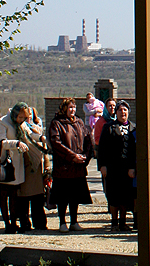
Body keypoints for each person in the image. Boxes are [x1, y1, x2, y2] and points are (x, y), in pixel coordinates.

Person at [0, 102, 49, 232]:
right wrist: (16, 143)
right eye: (20, 117)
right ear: (15, 114)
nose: (21, 120)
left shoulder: (22, 123)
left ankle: (15, 222)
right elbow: (1, 142)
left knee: (15, 196)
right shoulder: (3, 122)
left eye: (24, 118)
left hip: (18, 163)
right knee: (5, 195)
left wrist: (41, 138)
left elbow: (29, 135)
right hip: (6, 162)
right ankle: (7, 224)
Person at [48, 98, 94, 232]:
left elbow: (88, 140)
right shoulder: (56, 123)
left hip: (78, 167)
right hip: (63, 168)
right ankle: (62, 222)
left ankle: (74, 221)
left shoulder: (79, 122)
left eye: (74, 107)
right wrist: (72, 156)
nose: (72, 110)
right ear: (64, 109)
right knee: (63, 197)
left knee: (75, 196)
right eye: (69, 107)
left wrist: (84, 157)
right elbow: (56, 143)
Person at [97, 100, 137, 231]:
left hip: (127, 168)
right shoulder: (108, 127)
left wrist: (133, 167)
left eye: (125, 110)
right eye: (120, 110)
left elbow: (135, 150)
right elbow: (102, 148)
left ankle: (123, 222)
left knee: (125, 196)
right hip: (112, 168)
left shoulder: (134, 128)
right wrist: (102, 165)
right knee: (113, 196)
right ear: (116, 112)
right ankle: (114, 223)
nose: (122, 112)